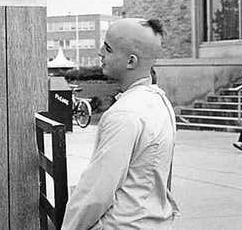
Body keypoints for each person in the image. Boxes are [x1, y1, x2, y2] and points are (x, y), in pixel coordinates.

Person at [62, 18, 178, 229]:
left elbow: (96, 193)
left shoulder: (124, 114)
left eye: (108, 48)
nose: (100, 53)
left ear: (131, 62)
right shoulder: (160, 102)